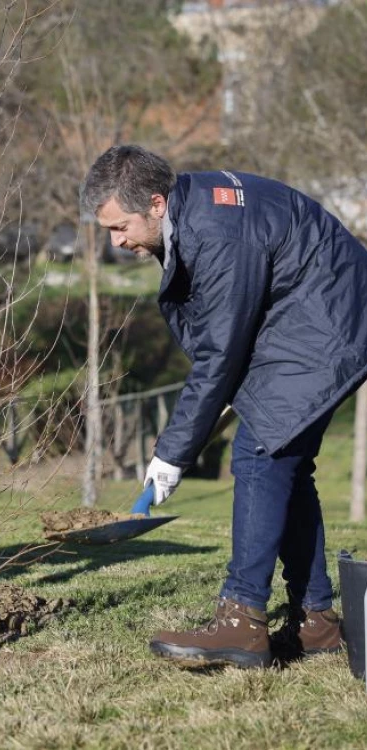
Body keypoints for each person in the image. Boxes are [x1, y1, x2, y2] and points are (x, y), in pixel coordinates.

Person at [81, 145, 367, 669]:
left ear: (156, 203)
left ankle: (241, 623)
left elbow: (220, 351)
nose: (117, 243)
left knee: (260, 454)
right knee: (285, 464)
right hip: (307, 315)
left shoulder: (217, 234)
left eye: (119, 228)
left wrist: (171, 454)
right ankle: (317, 621)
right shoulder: (193, 214)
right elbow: (220, 335)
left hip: (327, 324)